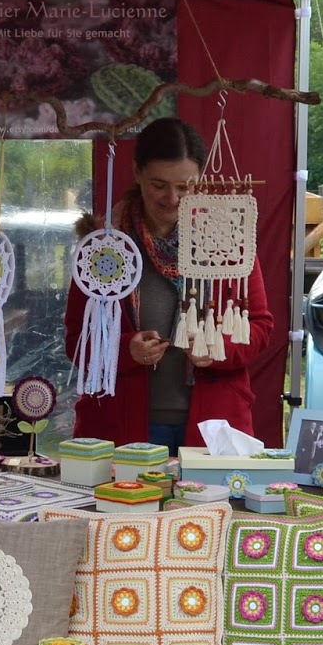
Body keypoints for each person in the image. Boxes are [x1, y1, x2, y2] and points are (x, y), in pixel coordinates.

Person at [62, 117, 272, 453]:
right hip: (121, 425)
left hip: (214, 425)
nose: (172, 198)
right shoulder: (104, 248)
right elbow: (77, 339)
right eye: (159, 185)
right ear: (137, 172)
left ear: (201, 179)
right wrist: (125, 350)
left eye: (185, 187)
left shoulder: (227, 240)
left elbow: (259, 326)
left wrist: (217, 348)